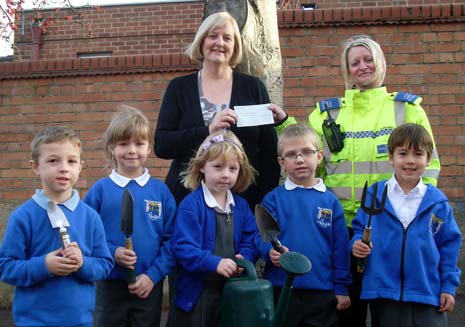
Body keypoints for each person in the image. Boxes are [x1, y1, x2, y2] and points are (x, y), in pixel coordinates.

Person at [268, 35, 441, 326]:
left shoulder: (407, 109)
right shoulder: (328, 114)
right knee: (349, 315)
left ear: (380, 62)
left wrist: (419, 217)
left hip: (393, 229)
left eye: (368, 59)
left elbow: (430, 166)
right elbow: (308, 156)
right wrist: (284, 123)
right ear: (347, 70)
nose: (362, 66)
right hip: (343, 230)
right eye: (355, 62)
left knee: (392, 312)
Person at [154, 11, 280, 209]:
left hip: (244, 203)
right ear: (201, 42)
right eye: (213, 36)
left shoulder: (253, 88)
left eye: (227, 38)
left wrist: (264, 202)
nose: (219, 43)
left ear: (235, 46)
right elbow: (162, 145)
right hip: (186, 200)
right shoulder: (179, 88)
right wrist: (207, 131)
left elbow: (268, 152)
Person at [0, 126, 114, 327]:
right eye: (53, 160)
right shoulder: (23, 217)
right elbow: (6, 267)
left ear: (80, 167)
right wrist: (43, 266)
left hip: (79, 321)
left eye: (71, 161)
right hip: (33, 321)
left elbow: (104, 265)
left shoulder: (90, 217)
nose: (64, 168)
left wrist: (82, 263)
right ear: (35, 166)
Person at [350, 123, 461, 327]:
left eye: (418, 154)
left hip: (428, 292)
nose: (410, 161)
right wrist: (357, 243)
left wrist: (448, 286)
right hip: (384, 292)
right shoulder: (375, 195)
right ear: (391, 157)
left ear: (428, 160)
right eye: (403, 153)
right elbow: (359, 230)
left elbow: (449, 248)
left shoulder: (438, 203)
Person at [84, 106, 176, 327]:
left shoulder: (160, 192)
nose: (132, 150)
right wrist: (112, 252)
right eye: (124, 144)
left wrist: (153, 275)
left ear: (149, 147)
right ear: (112, 148)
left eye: (139, 143)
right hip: (108, 285)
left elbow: (173, 240)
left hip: (148, 284)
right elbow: (85, 235)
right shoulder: (100, 191)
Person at [256, 124, 351, 327]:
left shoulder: (330, 202)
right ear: (282, 162)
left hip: (321, 291)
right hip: (282, 289)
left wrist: (341, 288)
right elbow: (261, 237)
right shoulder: (273, 199)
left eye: (306, 152)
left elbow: (340, 249)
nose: (299, 159)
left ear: (319, 156)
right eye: (291, 155)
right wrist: (268, 251)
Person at [171, 130, 258, 327]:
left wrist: (245, 256)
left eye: (233, 169)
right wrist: (214, 263)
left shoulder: (241, 206)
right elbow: (183, 248)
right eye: (218, 167)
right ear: (202, 166)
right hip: (197, 294)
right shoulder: (191, 205)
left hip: (230, 291)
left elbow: (251, 238)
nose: (225, 174)